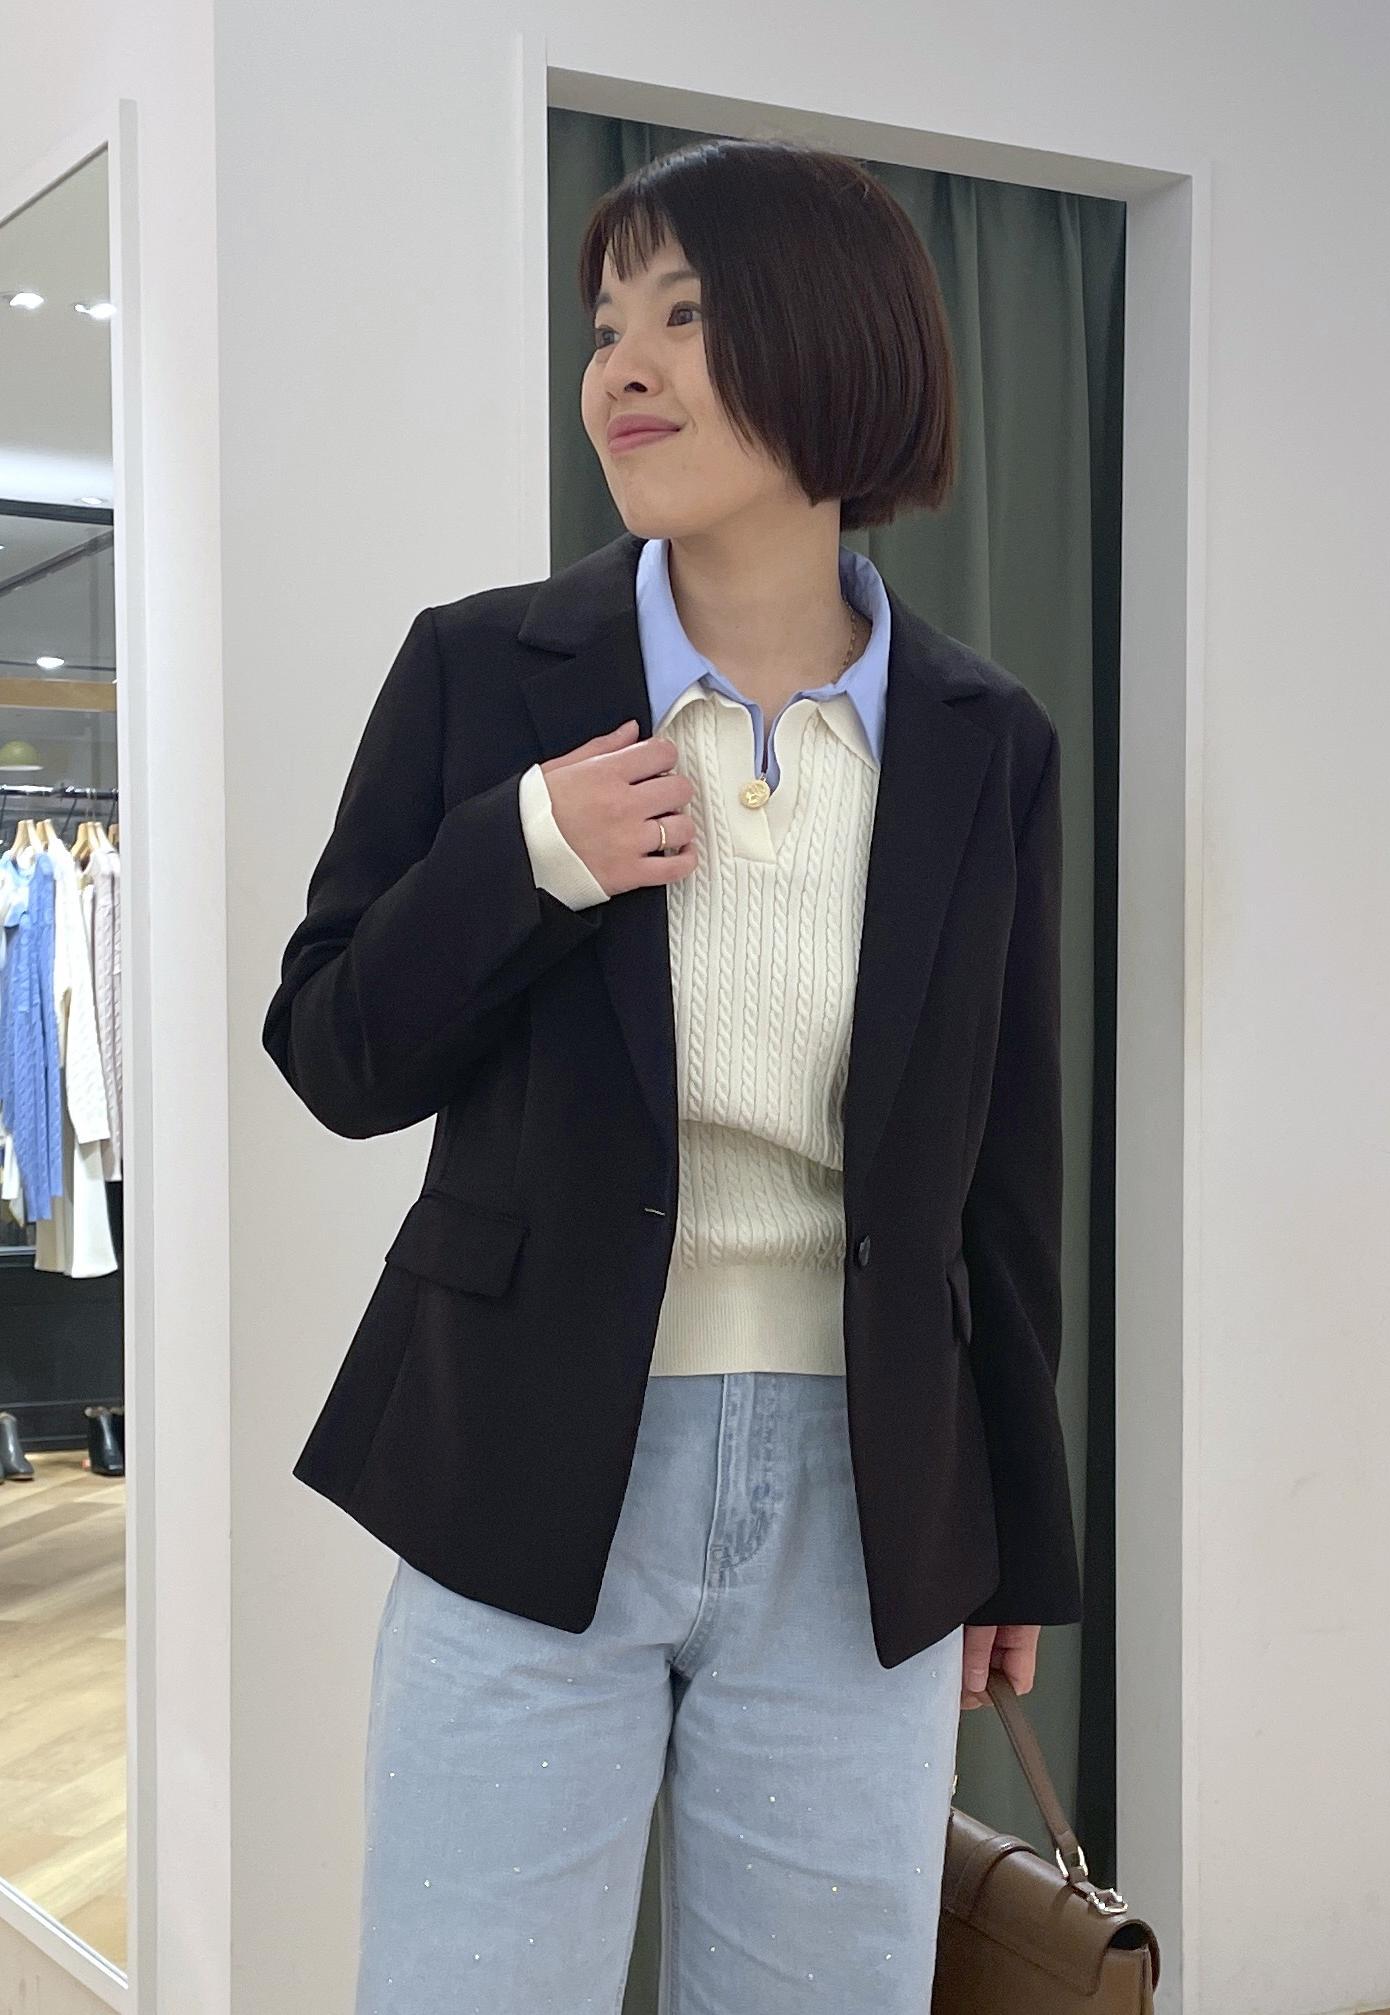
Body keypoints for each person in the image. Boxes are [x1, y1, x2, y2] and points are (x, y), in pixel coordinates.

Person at [263, 134, 1082, 2015]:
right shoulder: (485, 673)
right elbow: (334, 1051)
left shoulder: (986, 740)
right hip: (524, 1458)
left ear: (839, 343)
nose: (619, 370)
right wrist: (527, 852)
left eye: (685, 316)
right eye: (604, 326)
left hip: (866, 1496)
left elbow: (1006, 1167)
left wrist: (1016, 1537)